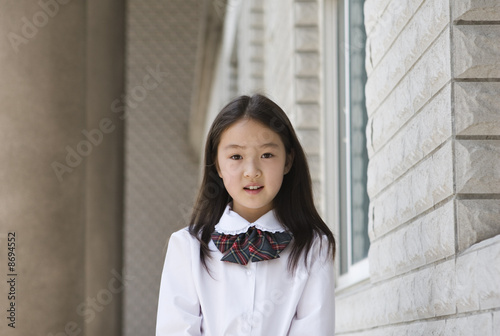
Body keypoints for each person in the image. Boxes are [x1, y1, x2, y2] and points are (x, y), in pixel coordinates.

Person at [156, 94, 336, 335]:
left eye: (267, 155)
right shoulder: (187, 246)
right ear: (217, 165)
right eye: (236, 157)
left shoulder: (313, 248)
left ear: (288, 160)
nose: (252, 172)